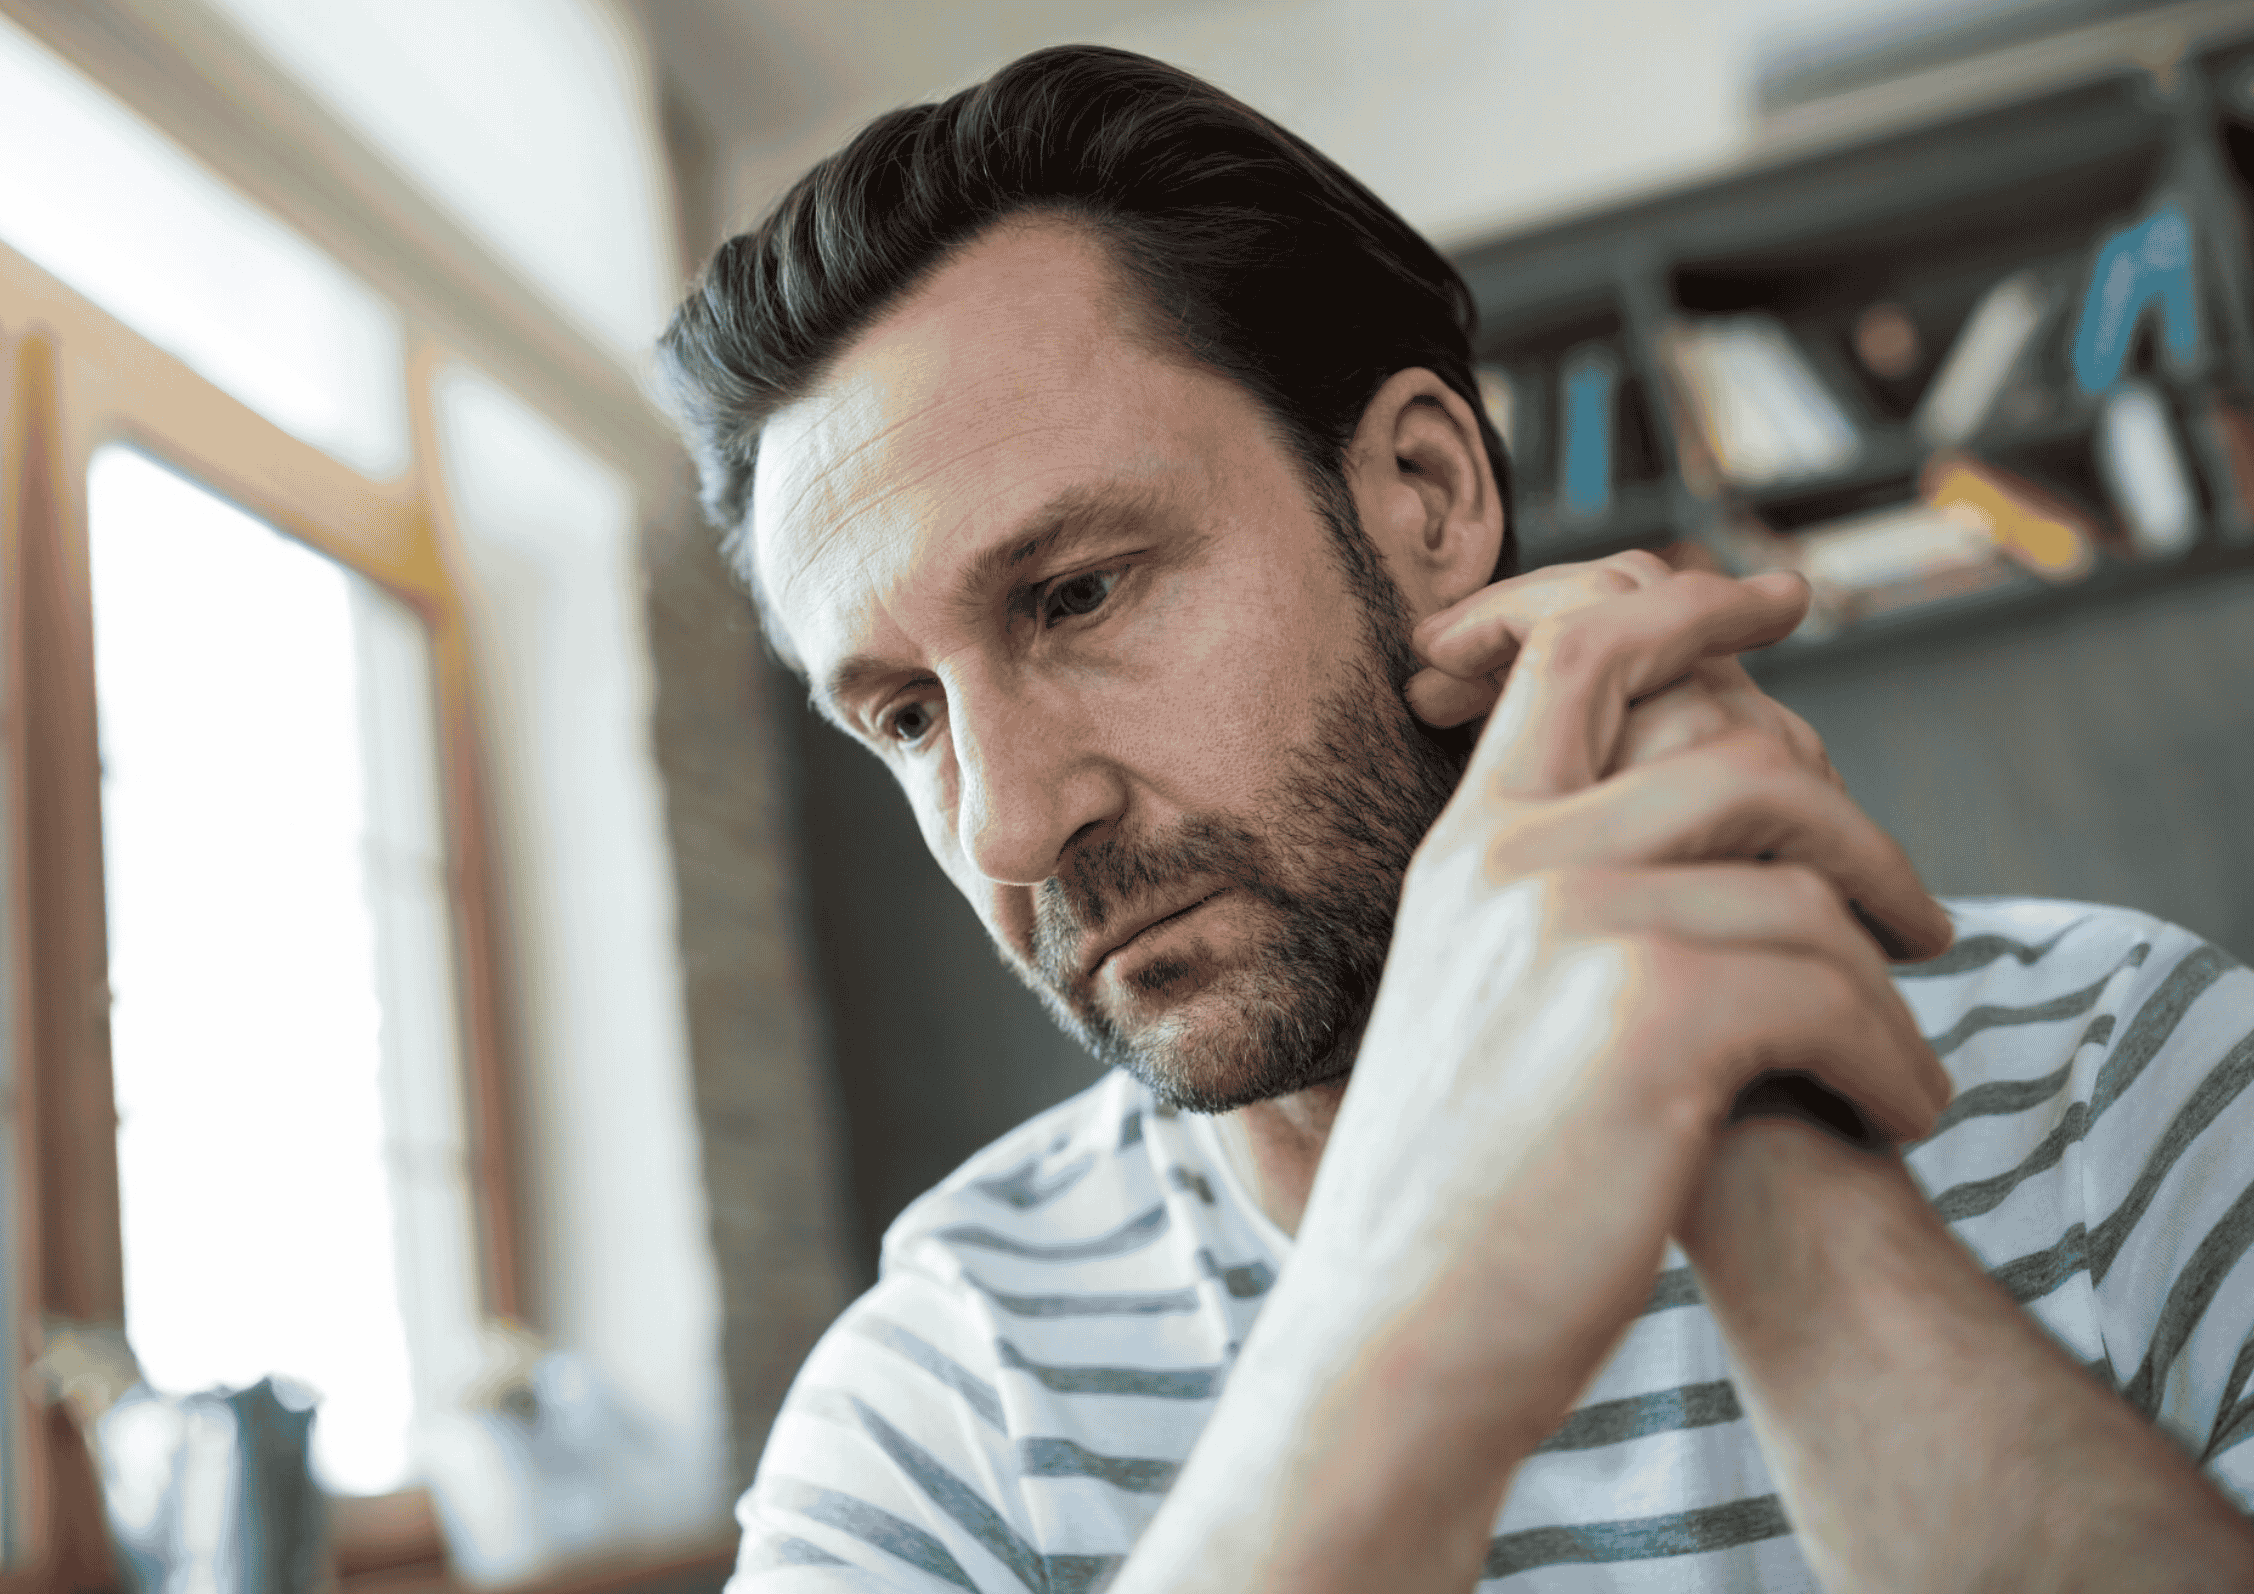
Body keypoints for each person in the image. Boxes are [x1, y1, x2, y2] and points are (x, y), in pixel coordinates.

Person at [657, 44, 2254, 1591]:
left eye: (1077, 593)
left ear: (1424, 494)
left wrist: (1762, 1136)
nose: (1007, 824)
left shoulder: (2122, 1081)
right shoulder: (951, 1396)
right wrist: (1412, 1311)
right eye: (906, 716)